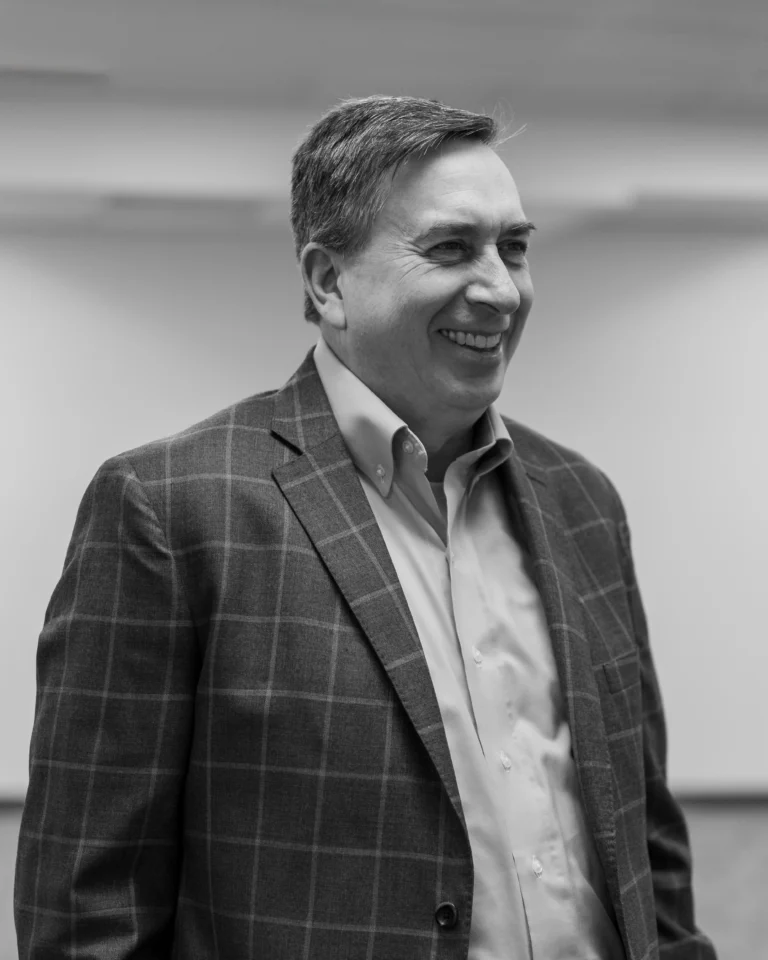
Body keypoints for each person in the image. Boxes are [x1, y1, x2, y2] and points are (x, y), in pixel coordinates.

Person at [15, 95, 716, 960]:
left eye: (514, 247)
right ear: (328, 281)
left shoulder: (581, 500)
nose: (501, 289)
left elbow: (647, 841)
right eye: (451, 248)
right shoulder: (173, 509)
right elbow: (90, 911)